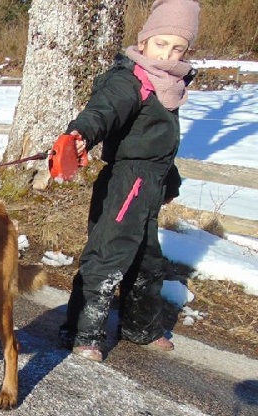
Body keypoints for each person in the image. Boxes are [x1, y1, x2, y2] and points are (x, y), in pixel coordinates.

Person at [52, 0, 200, 362]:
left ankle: (141, 327)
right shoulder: (130, 79)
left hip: (150, 183)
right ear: (145, 41)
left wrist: (170, 181)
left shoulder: (170, 85)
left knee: (147, 259)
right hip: (126, 182)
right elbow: (103, 111)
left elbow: (156, 142)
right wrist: (80, 134)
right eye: (161, 44)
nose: (167, 54)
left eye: (177, 48)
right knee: (109, 253)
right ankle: (82, 331)